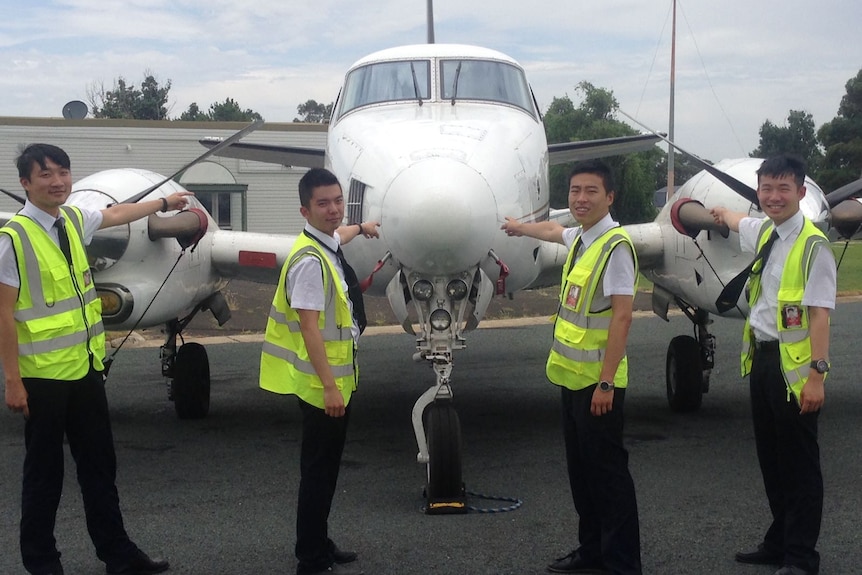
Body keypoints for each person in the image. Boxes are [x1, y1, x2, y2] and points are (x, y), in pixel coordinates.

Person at [0, 143, 193, 575]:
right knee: (44, 477)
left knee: (100, 470)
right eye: (45, 174)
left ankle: (118, 554)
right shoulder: (12, 239)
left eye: (63, 172)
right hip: (44, 380)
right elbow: (3, 315)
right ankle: (42, 562)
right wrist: (12, 380)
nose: (57, 181)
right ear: (25, 184)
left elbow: (117, 214)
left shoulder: (71, 220)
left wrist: (164, 202)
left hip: (87, 371)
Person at [502, 159, 642, 575]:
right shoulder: (582, 238)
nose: (581, 199)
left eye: (591, 191)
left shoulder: (615, 247)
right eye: (575, 191)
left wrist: (605, 384)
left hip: (598, 384)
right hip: (571, 378)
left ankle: (621, 564)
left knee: (609, 478)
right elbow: (551, 231)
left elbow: (622, 317)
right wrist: (519, 228)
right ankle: (591, 552)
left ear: (610, 197)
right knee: (582, 476)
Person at [711, 154, 835, 575]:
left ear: (802, 192)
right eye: (766, 188)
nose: (773, 196)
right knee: (772, 460)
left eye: (783, 188)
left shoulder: (813, 246)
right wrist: (711, 213)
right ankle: (780, 541)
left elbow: (820, 313)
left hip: (795, 371)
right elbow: (732, 219)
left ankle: (802, 557)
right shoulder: (766, 231)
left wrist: (817, 376)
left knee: (799, 466)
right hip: (762, 360)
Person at [259, 167, 379, 575]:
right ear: (304, 210)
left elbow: (339, 236)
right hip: (321, 386)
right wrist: (330, 388)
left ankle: (319, 541)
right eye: (322, 204)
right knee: (317, 473)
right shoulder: (309, 262)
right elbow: (309, 326)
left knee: (325, 472)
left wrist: (362, 227)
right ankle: (310, 557)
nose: (333, 210)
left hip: (337, 381)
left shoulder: (325, 242)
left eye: (337, 201)